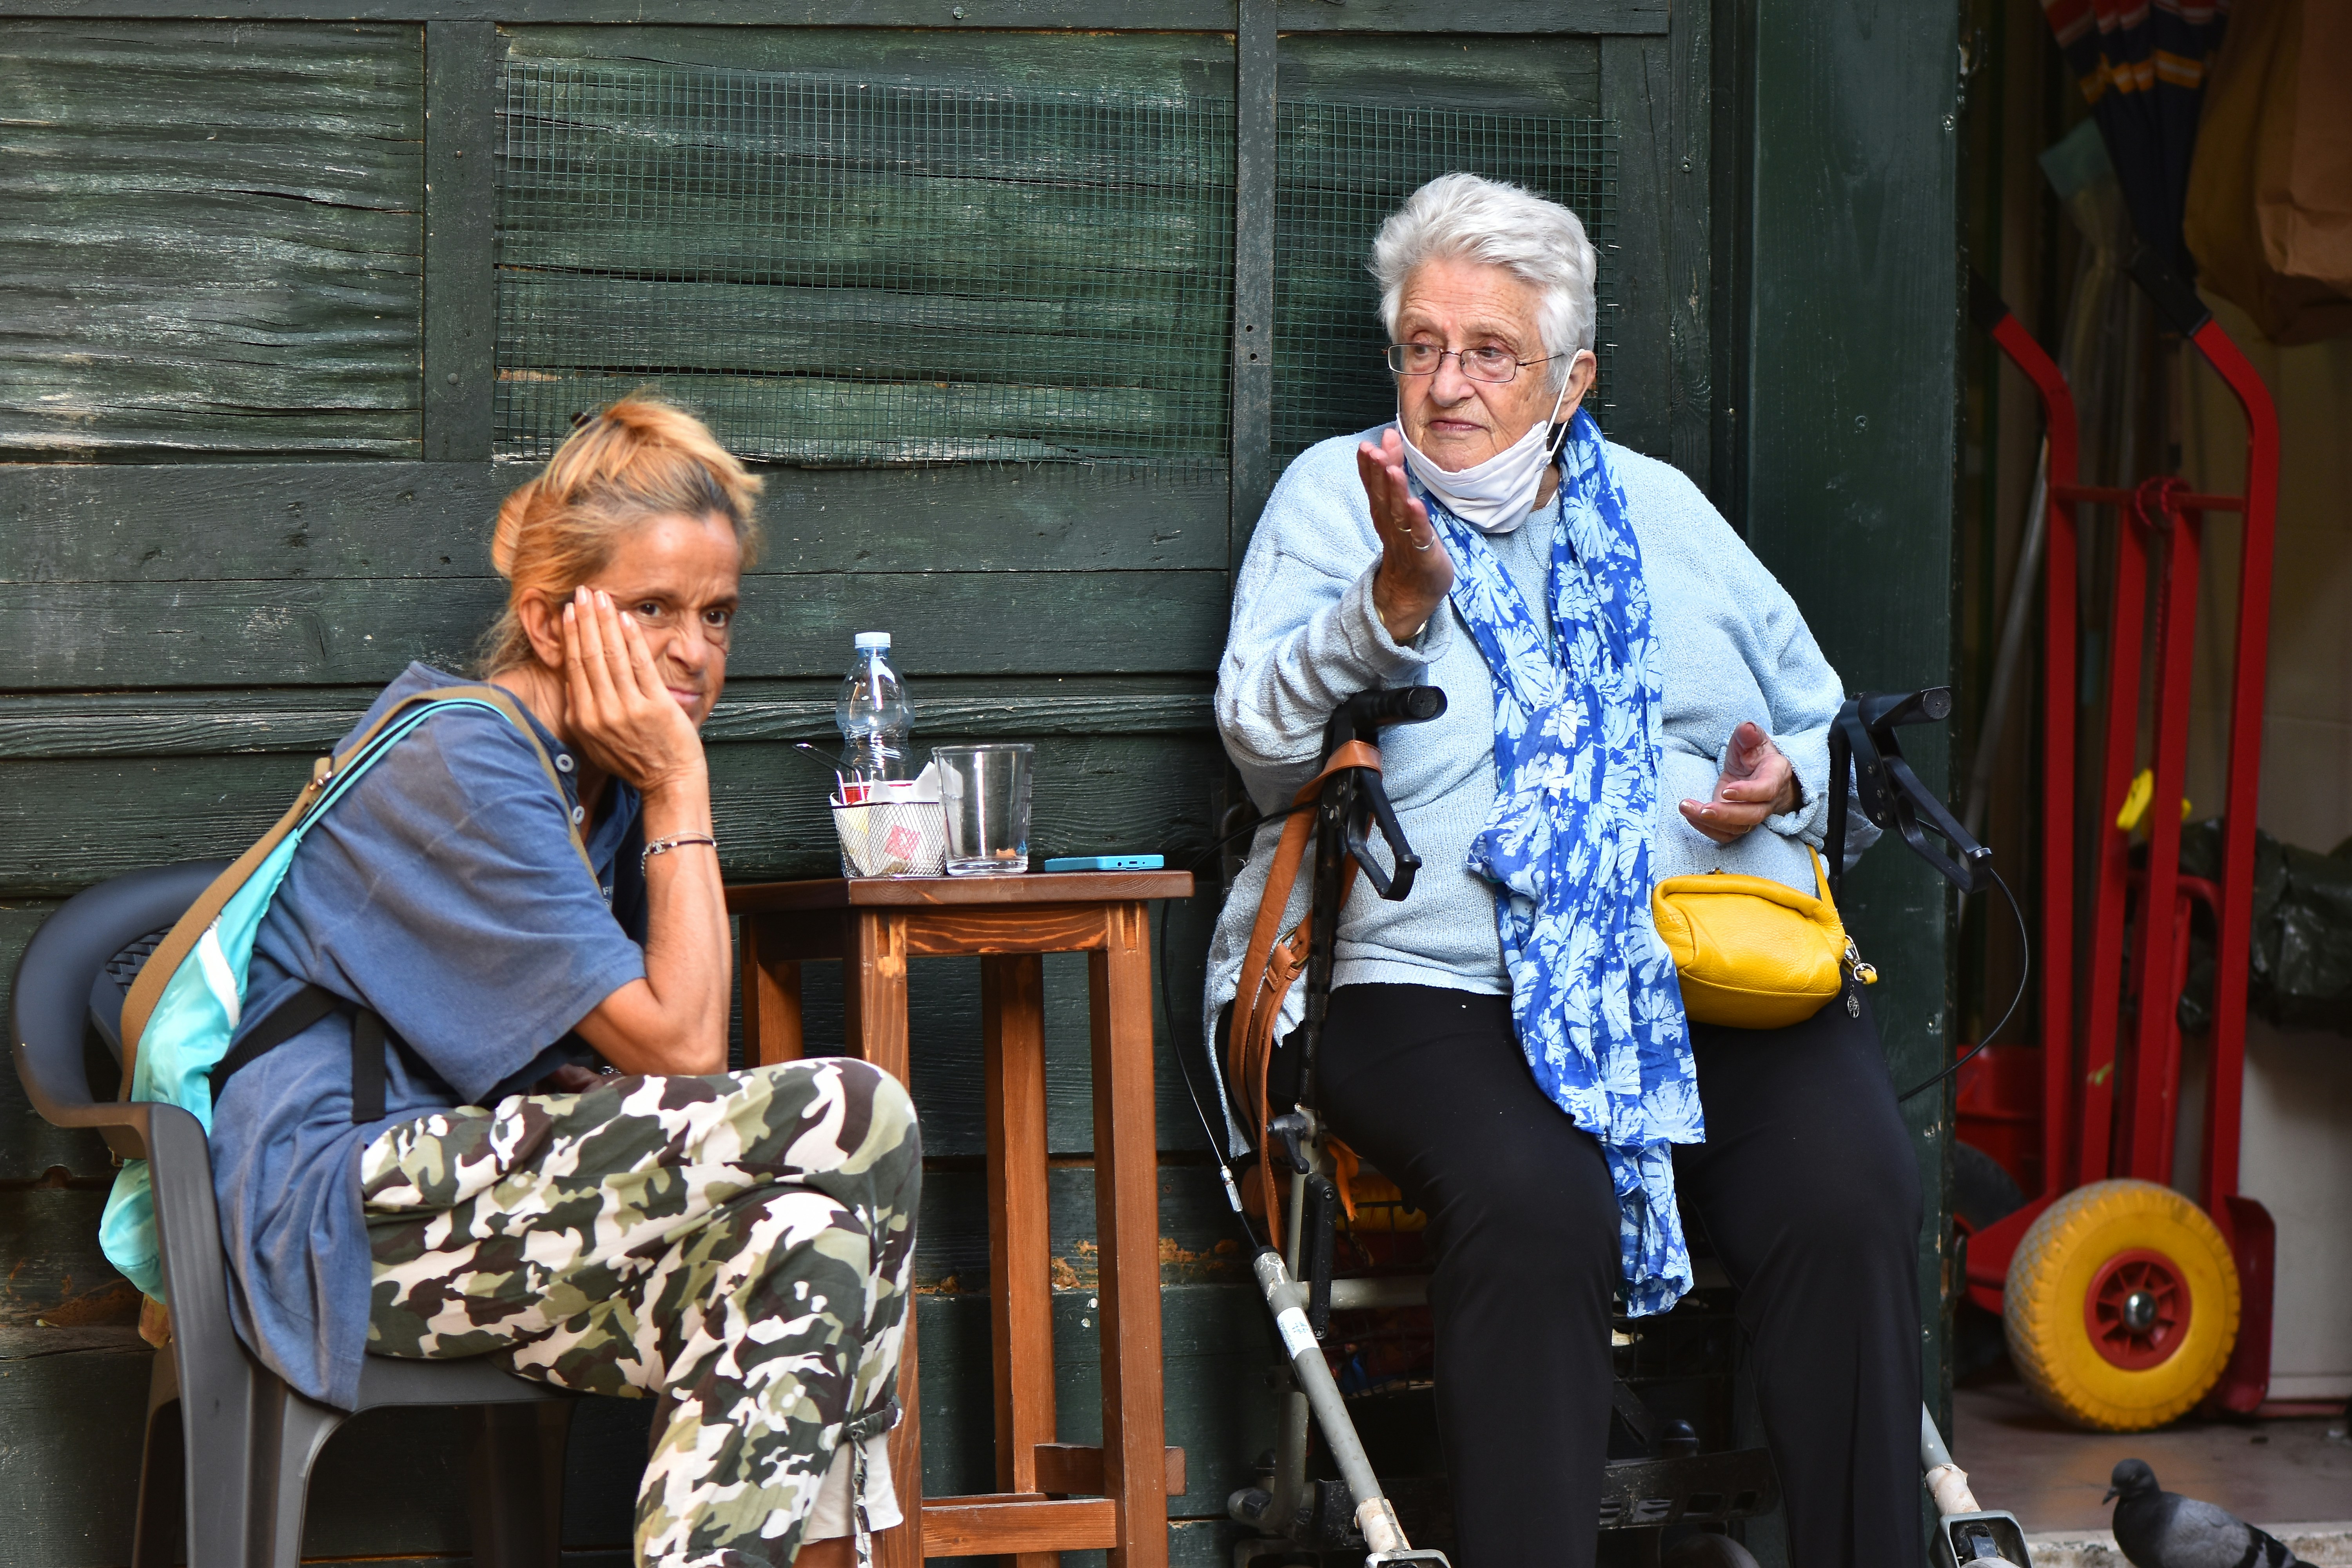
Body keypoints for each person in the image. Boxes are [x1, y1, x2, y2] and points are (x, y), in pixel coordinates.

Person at [1205, 173, 1921, 1567]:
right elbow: (1257, 741)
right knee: (1536, 1205)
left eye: (1491, 352)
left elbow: (1830, 725)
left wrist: (1795, 778)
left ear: (1572, 375)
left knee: (1850, 1188)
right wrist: (1386, 611)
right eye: (1423, 346)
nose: (1449, 382)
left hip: (1693, 961)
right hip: (1433, 978)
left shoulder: (1670, 512)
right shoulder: (1336, 501)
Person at [207, 397, 917, 1568]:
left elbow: (665, 1067)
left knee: (802, 1233)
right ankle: (855, 1535)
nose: (692, 654)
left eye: (717, 616)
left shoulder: (604, 786)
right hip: (335, 1213)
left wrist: (657, 791)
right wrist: (684, 787)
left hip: (491, 1195)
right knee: (858, 1107)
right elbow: (690, 1055)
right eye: (651, 611)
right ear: (548, 620)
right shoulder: (469, 760)